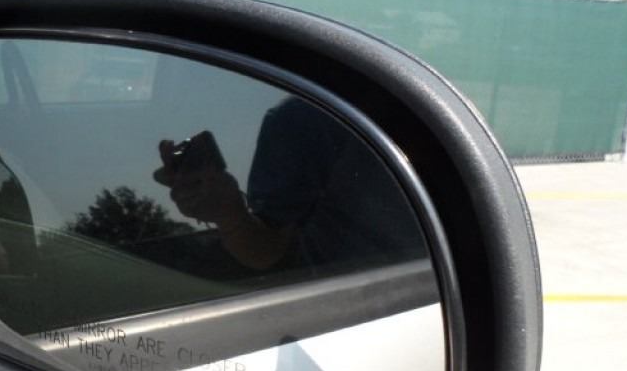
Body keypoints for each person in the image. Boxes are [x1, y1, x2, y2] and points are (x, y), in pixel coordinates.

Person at [154, 96, 426, 273]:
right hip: (353, 316)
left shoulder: (310, 112)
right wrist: (227, 213)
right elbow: (266, 250)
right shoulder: (305, 120)